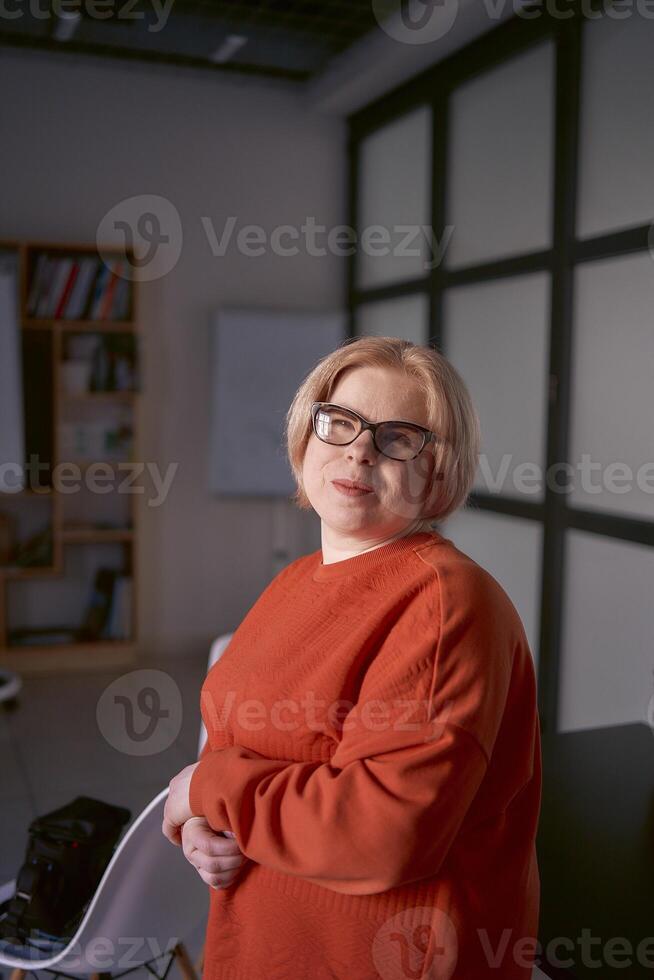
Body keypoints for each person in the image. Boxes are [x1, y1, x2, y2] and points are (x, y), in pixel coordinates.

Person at [162, 336, 542, 980]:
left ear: (439, 471)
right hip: (262, 945)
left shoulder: (447, 602)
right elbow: (243, 745)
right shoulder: (295, 580)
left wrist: (205, 788)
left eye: (398, 437)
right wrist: (204, 824)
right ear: (306, 435)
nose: (359, 449)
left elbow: (381, 833)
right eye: (340, 422)